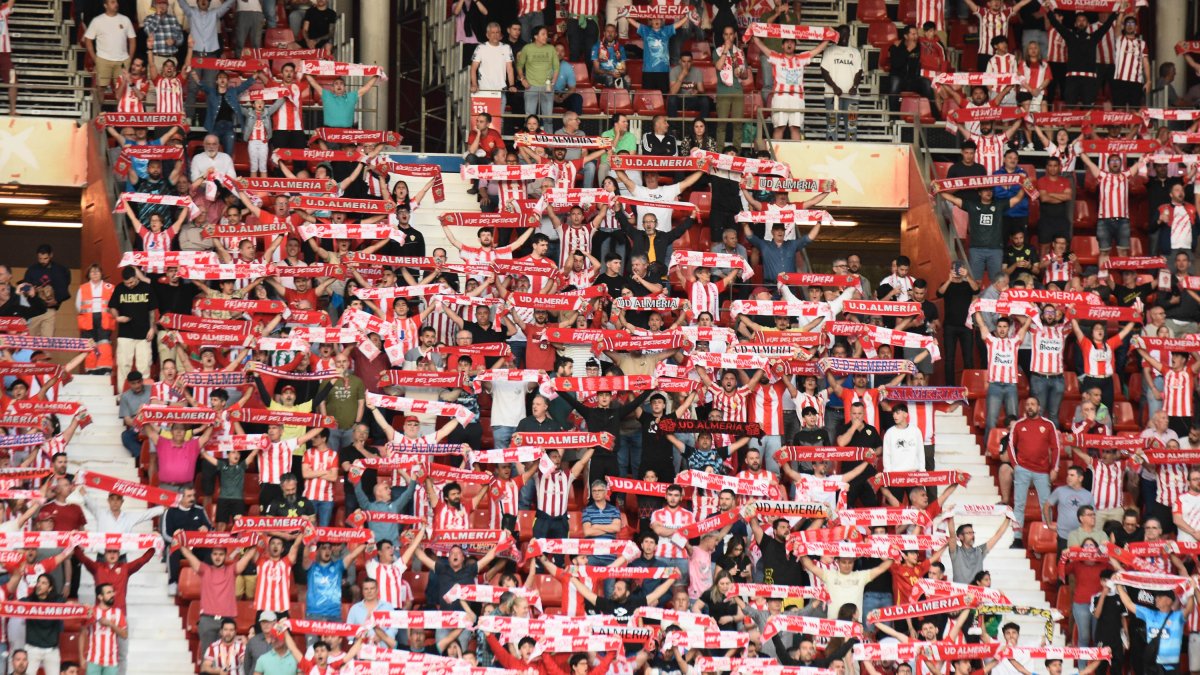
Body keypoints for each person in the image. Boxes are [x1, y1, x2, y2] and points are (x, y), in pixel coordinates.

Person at [1009, 397, 1062, 548]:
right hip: (1023, 469)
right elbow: (1010, 446)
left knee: (1046, 505)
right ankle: (1017, 538)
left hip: (1042, 471)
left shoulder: (1048, 424)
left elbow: (1056, 447)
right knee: (1019, 505)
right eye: (1027, 404)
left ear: (1039, 407)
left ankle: (1048, 535)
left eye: (1032, 404)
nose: (1029, 407)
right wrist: (1016, 466)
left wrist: (1055, 468)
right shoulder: (1019, 425)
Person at [83, 0, 137, 102]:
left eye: (116, 2)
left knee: (121, 88)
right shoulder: (97, 21)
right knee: (101, 87)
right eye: (112, 2)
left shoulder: (125, 20)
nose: (116, 4)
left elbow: (132, 39)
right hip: (103, 59)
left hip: (122, 60)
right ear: (105, 5)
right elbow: (88, 40)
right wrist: (95, 58)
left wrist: (129, 58)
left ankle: (119, 113)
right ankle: (100, 113)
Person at [820, 24, 863, 142]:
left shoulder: (855, 52)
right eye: (842, 33)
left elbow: (859, 71)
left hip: (852, 96)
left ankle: (850, 147)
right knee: (832, 125)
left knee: (852, 125)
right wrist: (834, 87)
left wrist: (854, 87)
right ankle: (831, 149)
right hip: (832, 96)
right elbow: (824, 71)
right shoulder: (829, 51)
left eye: (847, 33)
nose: (845, 35)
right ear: (837, 34)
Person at [80, 583, 128, 675]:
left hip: (111, 661)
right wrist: (82, 657)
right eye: (109, 592)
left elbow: (124, 635)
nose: (112, 595)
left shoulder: (118, 613)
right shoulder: (91, 611)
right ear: (100, 597)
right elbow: (82, 634)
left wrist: (111, 624)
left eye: (112, 592)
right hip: (93, 659)